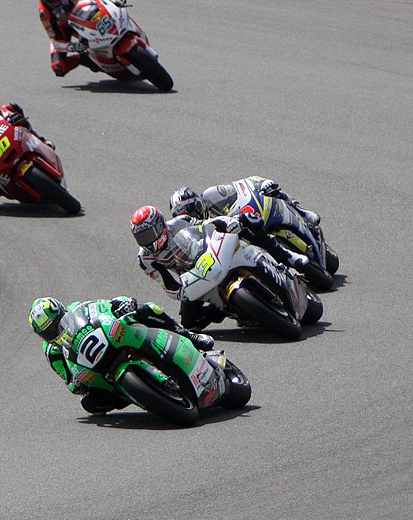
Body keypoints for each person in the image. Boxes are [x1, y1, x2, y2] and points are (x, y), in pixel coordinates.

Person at [29, 295, 216, 416]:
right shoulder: (51, 351)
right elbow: (67, 378)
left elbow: (105, 305)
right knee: (90, 404)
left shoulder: (77, 307)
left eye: (55, 324)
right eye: (48, 332)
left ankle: (189, 335)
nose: (54, 331)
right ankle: (135, 394)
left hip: (111, 338)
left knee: (147, 309)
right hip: (96, 368)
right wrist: (75, 384)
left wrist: (122, 303)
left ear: (62, 311)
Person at [131, 204, 309, 330]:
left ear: (160, 225)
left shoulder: (180, 222)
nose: (147, 241)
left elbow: (207, 223)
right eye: (141, 238)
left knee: (248, 226)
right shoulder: (144, 259)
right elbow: (166, 282)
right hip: (193, 276)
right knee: (189, 323)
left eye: (149, 234)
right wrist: (179, 292)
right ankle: (223, 309)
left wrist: (227, 223)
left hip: (209, 253)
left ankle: (285, 257)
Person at [38, 0, 125, 77]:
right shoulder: (44, 13)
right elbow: (55, 40)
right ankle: (84, 58)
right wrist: (74, 46)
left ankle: (121, 27)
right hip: (64, 29)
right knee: (58, 67)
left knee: (108, 13)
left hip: (82, 12)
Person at [169, 177, 320, 228]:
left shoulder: (211, 195)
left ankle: (301, 212)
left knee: (272, 192)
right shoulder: (193, 231)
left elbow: (241, 185)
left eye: (192, 208)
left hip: (247, 215)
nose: (193, 214)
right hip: (237, 241)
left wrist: (262, 183)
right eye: (186, 214)